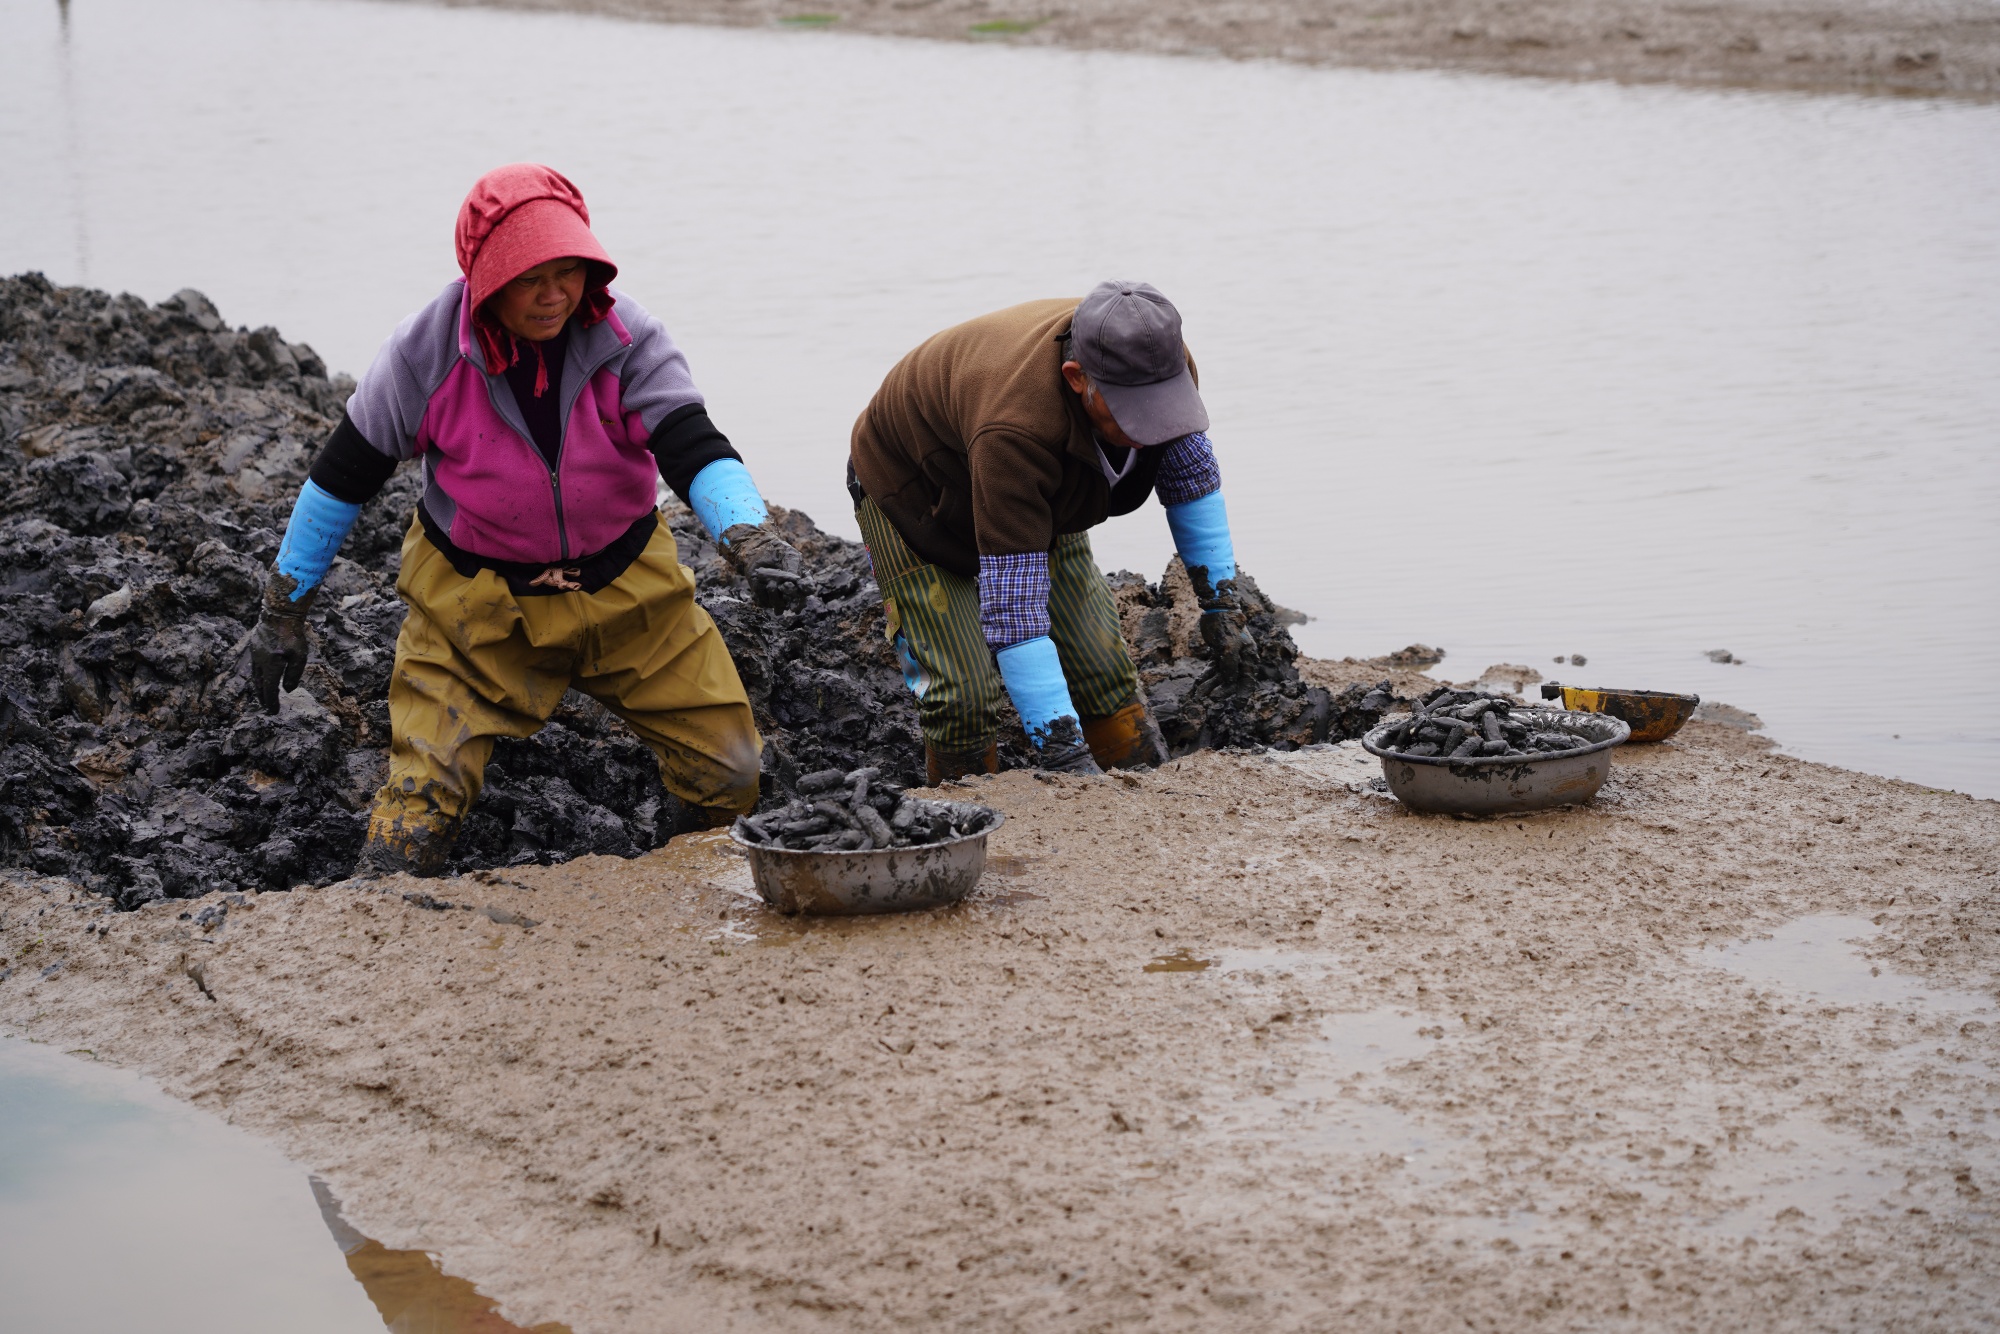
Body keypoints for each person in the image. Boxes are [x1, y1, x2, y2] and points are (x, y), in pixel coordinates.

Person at [249, 163, 800, 876]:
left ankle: (671, 879)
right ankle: (381, 942)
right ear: (484, 278)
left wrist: (748, 535)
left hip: (632, 597)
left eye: (571, 272)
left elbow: (691, 441)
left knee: (731, 774)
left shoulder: (628, 337)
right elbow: (341, 477)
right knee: (410, 825)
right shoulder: (425, 352)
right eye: (531, 276)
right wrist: (282, 605)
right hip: (471, 613)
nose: (555, 295)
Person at [847, 280, 1249, 782]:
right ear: (1077, 378)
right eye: (1134, 415)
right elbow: (1014, 609)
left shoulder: (1158, 361)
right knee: (965, 695)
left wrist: (1222, 606)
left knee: (1102, 671)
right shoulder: (1014, 428)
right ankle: (969, 814)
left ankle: (1139, 784)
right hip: (915, 493)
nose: (1151, 430)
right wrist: (1062, 751)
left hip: (1043, 495)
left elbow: (1190, 477)